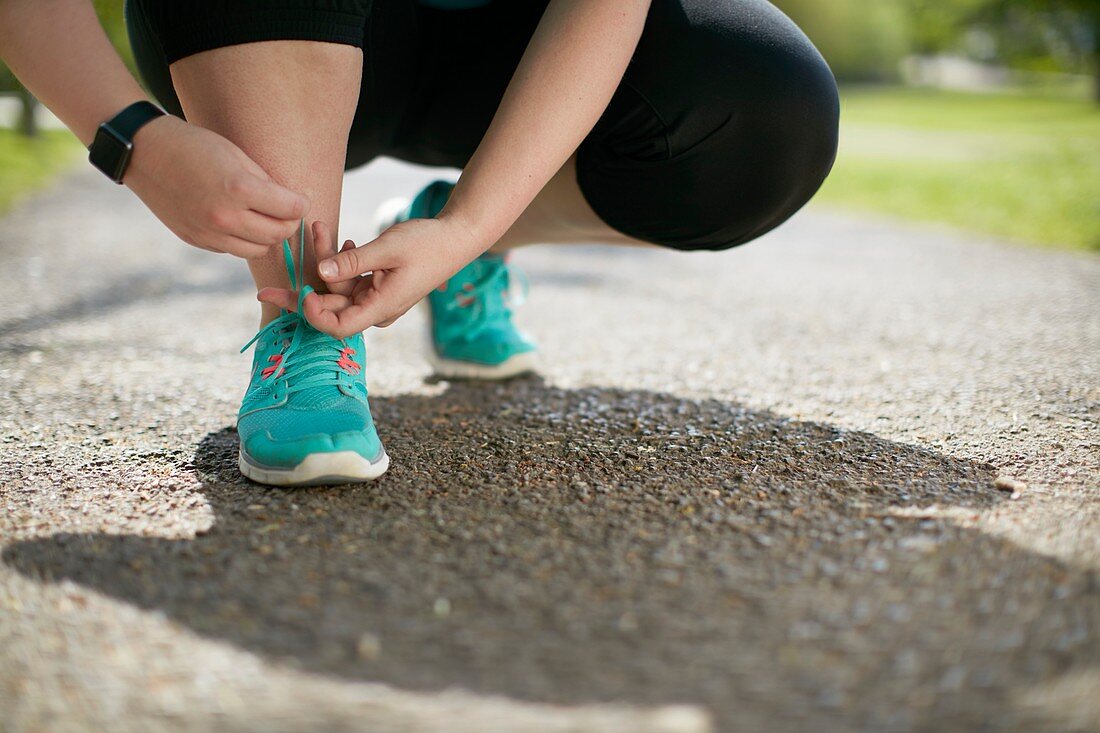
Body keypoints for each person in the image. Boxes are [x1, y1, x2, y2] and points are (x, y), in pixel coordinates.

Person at [0, 0, 839, 486]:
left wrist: (471, 226)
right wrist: (130, 138)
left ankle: (470, 242)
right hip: (257, 25)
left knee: (768, 113)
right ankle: (305, 321)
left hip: (511, 45)